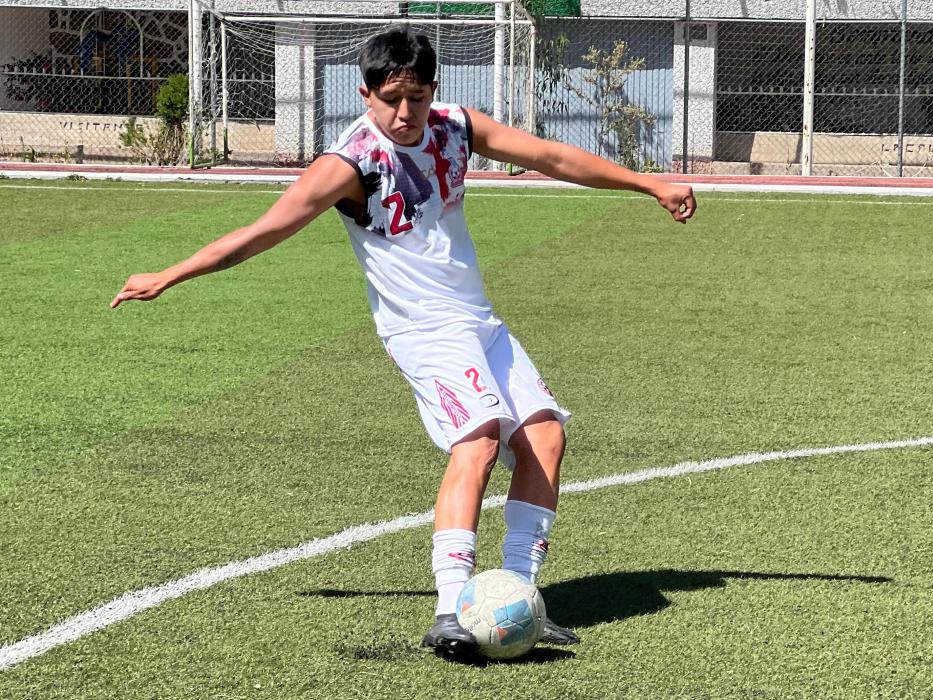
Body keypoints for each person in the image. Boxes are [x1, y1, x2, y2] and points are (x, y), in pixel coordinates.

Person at [111, 25, 696, 658]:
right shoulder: (348, 164)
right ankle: (450, 609)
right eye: (390, 98)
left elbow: (551, 156)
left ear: (433, 90)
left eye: (416, 97)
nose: (404, 112)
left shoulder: (456, 127)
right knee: (478, 438)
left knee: (546, 436)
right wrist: (170, 274)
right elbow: (262, 232)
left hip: (477, 319)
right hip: (420, 329)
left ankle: (518, 596)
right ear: (365, 93)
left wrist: (649, 184)